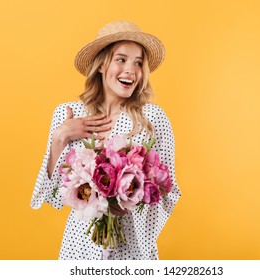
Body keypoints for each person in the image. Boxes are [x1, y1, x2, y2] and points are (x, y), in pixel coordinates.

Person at [30, 21, 181, 260]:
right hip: (79, 250)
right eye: (121, 59)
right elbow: (52, 195)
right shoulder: (68, 114)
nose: (131, 70)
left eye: (138, 63)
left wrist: (131, 208)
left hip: (133, 251)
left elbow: (169, 191)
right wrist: (61, 137)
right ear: (101, 65)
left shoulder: (153, 119)